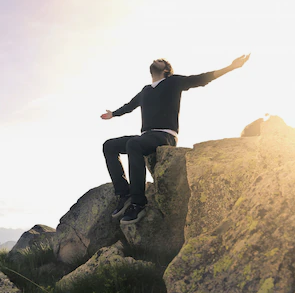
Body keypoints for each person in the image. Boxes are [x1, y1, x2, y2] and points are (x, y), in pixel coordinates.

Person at [101, 54, 251, 225]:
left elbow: (201, 79)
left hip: (165, 135)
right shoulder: (145, 90)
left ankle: (138, 203)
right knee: (109, 146)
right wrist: (113, 114)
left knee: (133, 144)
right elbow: (129, 106)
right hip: (146, 136)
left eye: (161, 60)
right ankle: (124, 193)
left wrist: (231, 67)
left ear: (166, 70)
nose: (156, 59)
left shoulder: (173, 82)